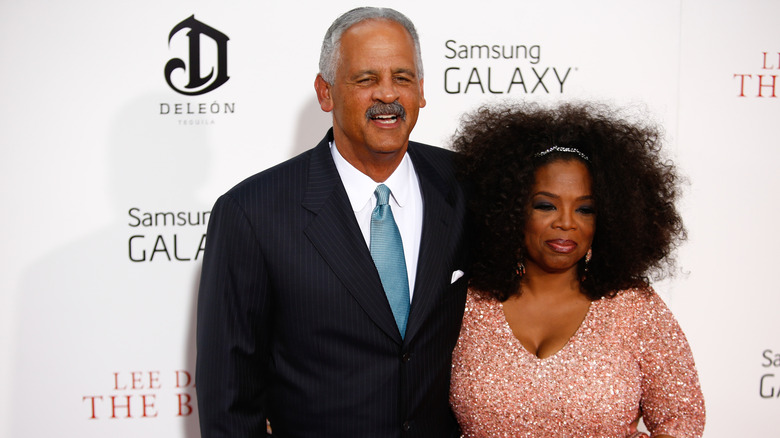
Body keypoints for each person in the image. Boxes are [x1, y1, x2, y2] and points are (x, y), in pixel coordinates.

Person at [196, 7, 469, 438]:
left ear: (421, 90)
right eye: (365, 79)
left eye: (402, 77)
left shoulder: (467, 186)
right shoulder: (252, 212)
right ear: (326, 93)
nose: (387, 95)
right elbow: (229, 396)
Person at [449, 102, 705, 437]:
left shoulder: (634, 308)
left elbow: (681, 418)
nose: (567, 223)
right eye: (546, 205)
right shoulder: (465, 305)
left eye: (585, 209)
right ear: (509, 210)